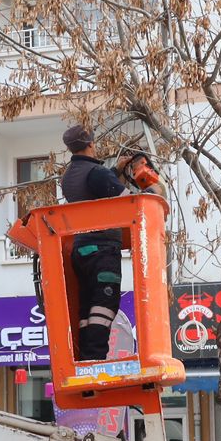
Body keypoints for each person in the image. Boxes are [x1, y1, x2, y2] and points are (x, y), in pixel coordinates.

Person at [59, 124, 143, 361]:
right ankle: (96, 356)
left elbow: (93, 195)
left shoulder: (69, 177)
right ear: (91, 144)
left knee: (88, 306)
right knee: (104, 306)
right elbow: (130, 204)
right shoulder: (98, 174)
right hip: (103, 250)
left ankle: (88, 357)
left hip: (82, 249)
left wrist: (114, 172)